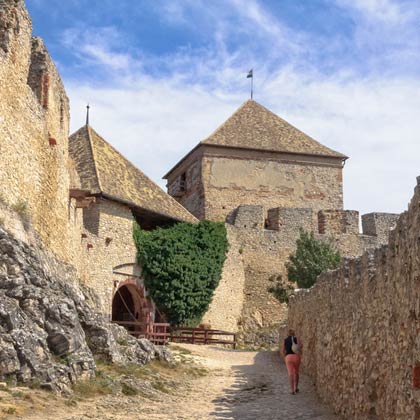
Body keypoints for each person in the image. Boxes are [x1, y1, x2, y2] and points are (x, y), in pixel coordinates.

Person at [282, 328, 302, 395]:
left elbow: (283, 350)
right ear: (294, 333)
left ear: (288, 333)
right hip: (296, 356)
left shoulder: (285, 340)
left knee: (290, 374)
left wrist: (285, 356)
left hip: (288, 357)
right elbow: (301, 346)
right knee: (296, 372)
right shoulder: (296, 339)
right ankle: (296, 387)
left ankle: (292, 390)